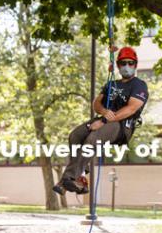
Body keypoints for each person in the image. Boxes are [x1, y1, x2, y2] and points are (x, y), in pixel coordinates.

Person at [53, 46, 148, 195]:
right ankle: (81, 178)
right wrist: (103, 112)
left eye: (130, 63)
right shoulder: (111, 84)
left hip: (122, 126)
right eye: (123, 63)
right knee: (75, 136)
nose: (127, 66)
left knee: (93, 138)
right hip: (104, 119)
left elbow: (131, 109)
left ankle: (68, 178)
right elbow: (96, 103)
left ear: (135, 65)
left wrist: (103, 121)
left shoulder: (139, 85)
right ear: (118, 65)